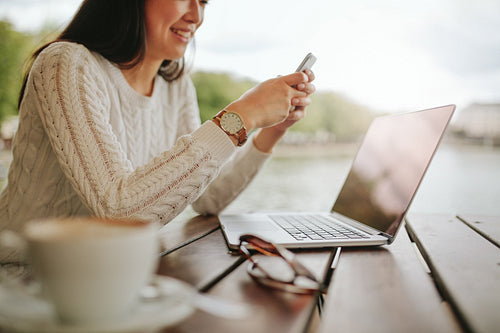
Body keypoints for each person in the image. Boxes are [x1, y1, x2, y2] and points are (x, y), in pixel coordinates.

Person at [0, 0, 315, 260]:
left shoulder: (175, 87)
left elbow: (209, 198)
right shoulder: (66, 65)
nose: (196, 16)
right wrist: (242, 115)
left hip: (107, 278)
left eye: (203, 2)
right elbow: (119, 213)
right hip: (23, 279)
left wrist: (273, 129)